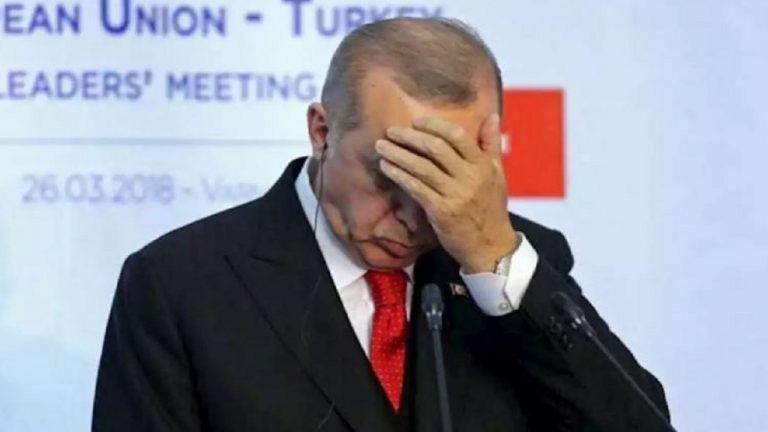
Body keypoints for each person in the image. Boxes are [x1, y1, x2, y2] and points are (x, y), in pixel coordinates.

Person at [93, 17, 670, 431]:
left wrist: (496, 261)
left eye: (441, 179)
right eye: (388, 176)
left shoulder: (516, 264)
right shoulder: (182, 284)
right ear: (322, 131)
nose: (415, 217)